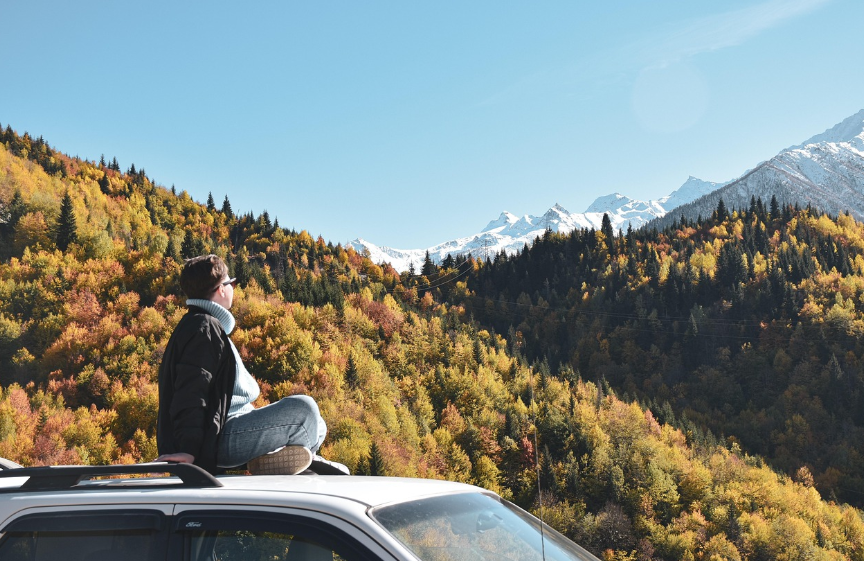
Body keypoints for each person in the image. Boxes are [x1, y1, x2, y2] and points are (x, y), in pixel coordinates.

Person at [156, 254, 348, 475]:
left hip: (231, 428)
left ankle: (288, 458)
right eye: (232, 283)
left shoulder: (203, 326)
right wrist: (188, 449)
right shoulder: (203, 329)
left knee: (319, 424)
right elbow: (191, 390)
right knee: (305, 409)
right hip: (221, 437)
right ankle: (307, 463)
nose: (234, 288)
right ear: (221, 289)